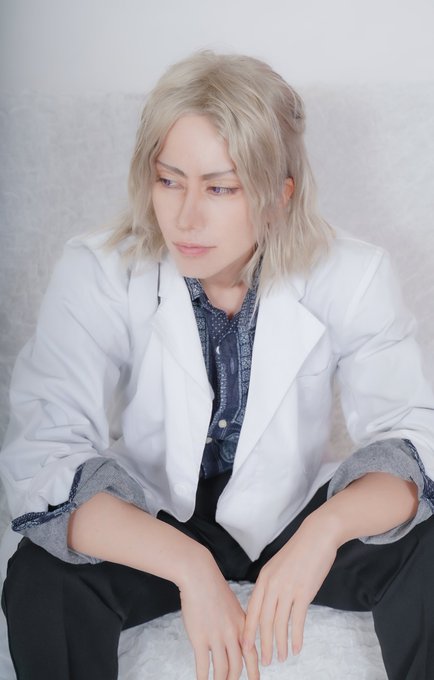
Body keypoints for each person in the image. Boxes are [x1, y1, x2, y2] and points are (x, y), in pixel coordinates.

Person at [1, 50, 434, 680]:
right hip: (153, 518)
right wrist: (189, 565)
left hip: (292, 515)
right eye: (169, 180)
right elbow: (43, 455)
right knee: (41, 577)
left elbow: (415, 441)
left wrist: (324, 532)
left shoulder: (353, 272)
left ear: (279, 194)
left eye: (220, 188)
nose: (185, 217)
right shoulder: (97, 269)